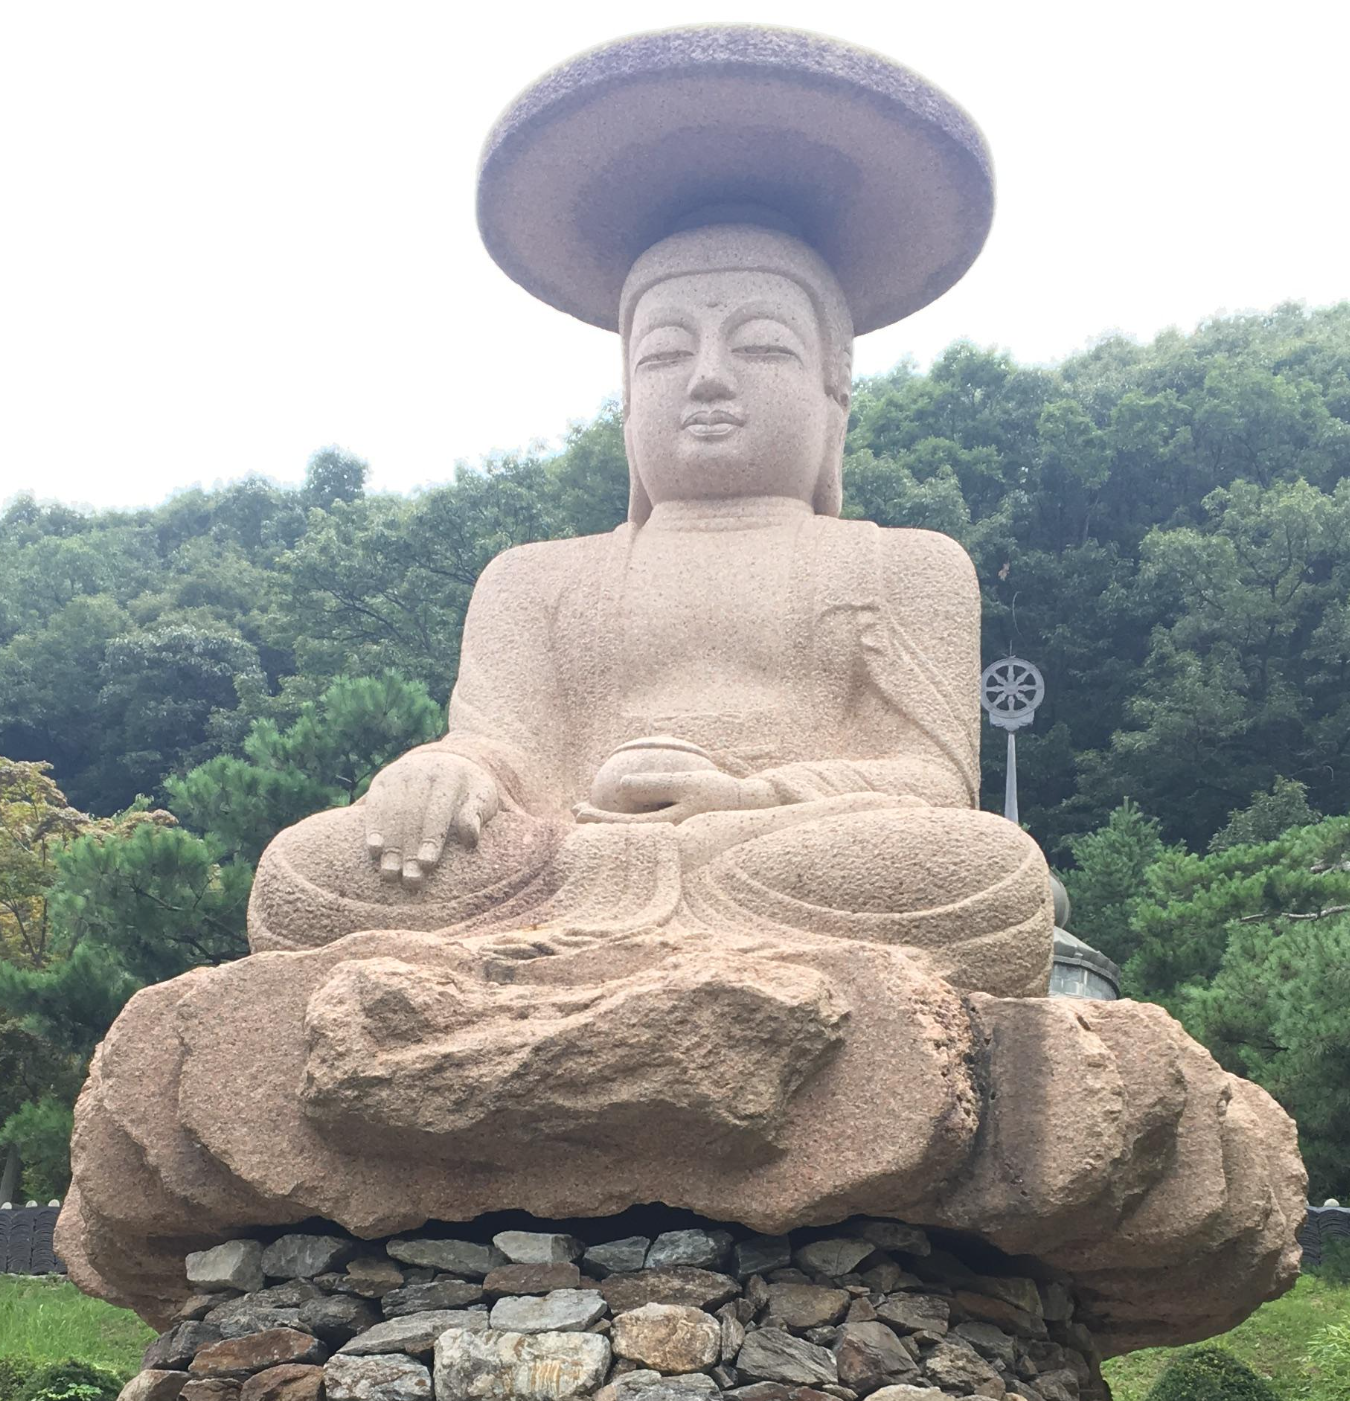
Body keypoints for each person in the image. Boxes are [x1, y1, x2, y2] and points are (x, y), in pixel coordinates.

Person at [249, 223, 1052, 998]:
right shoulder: (531, 578)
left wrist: (744, 799)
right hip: (560, 853)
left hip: (764, 848)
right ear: (628, 398)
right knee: (300, 873)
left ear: (832, 391)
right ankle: (633, 929)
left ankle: (581, 946)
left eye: (761, 346)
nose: (708, 378)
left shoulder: (904, 564)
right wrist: (450, 770)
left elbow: (933, 785)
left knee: (993, 871)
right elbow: (503, 750)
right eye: (665, 353)